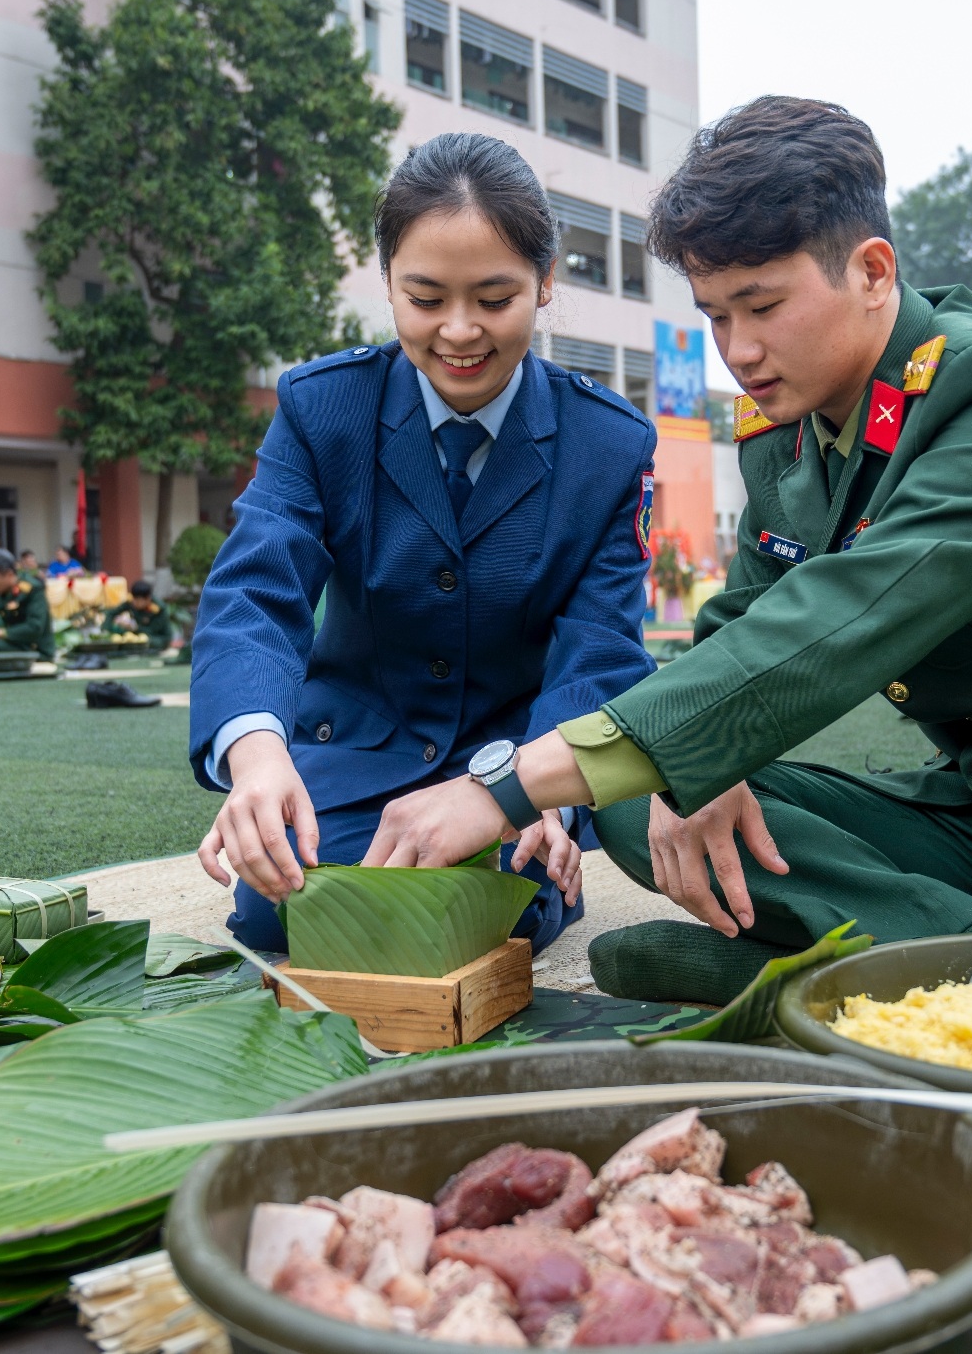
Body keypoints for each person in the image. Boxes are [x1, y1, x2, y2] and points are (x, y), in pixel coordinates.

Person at [353, 97, 972, 1005]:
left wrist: (504, 786)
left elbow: (844, 619)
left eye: (762, 305)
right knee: (637, 795)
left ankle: (811, 983)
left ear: (870, 272)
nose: (736, 349)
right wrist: (700, 760)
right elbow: (739, 626)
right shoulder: (784, 436)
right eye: (714, 315)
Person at [189, 131, 658, 954]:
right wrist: (258, 758)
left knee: (491, 912)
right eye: (426, 297)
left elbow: (601, 650)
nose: (460, 331)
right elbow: (256, 593)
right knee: (280, 907)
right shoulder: (320, 407)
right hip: (356, 749)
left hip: (518, 765)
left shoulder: (608, 445)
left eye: (494, 296)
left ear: (547, 283)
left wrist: (544, 791)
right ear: (388, 284)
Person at [107, 579, 174, 649]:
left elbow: (152, 631)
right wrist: (106, 631)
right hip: (139, 635)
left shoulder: (158, 609)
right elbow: (111, 613)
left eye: (138, 600)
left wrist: (135, 628)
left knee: (143, 641)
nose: (134, 603)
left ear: (148, 599)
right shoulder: (132, 601)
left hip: (158, 639)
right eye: (134, 599)